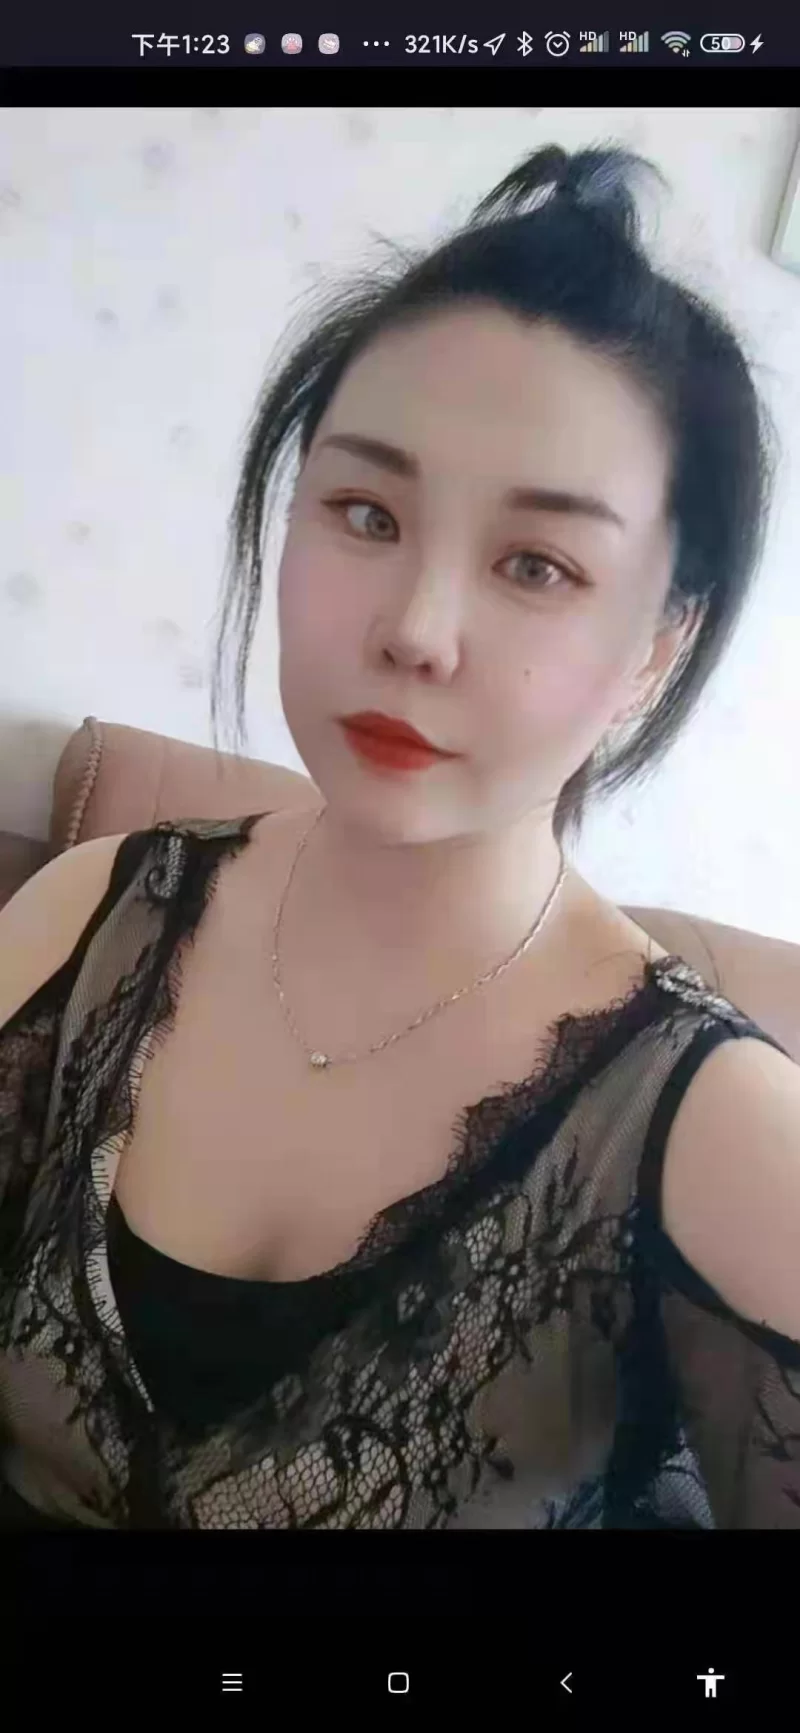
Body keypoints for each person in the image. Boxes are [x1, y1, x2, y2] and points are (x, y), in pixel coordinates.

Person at [1, 141, 800, 1531]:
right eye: (365, 513)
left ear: (657, 650)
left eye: (537, 564)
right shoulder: (89, 918)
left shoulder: (711, 1133)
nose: (416, 630)